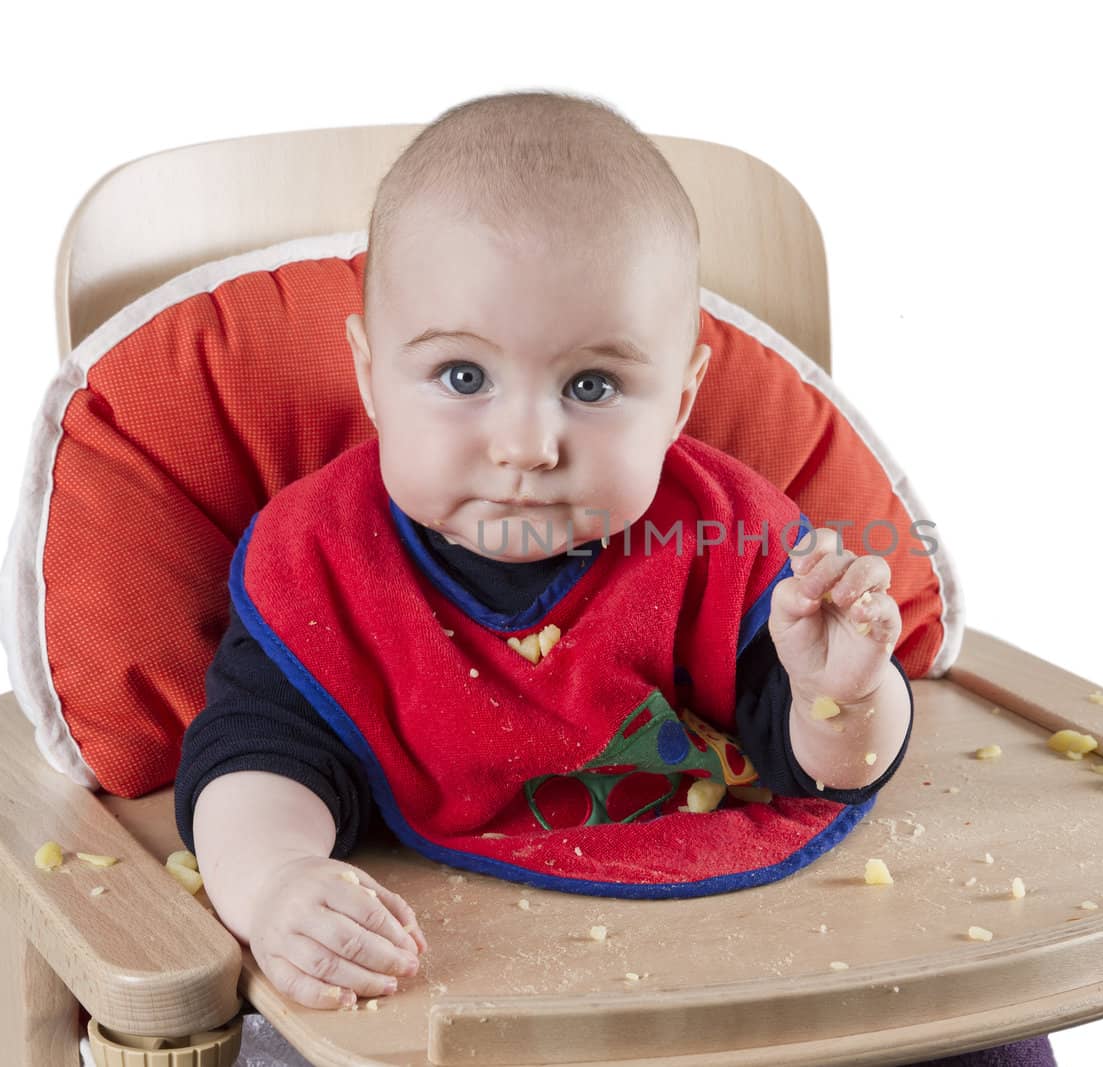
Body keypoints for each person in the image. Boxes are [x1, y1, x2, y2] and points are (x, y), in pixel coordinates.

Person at [174, 89, 1055, 1067]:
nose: (527, 444)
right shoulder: (325, 563)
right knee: (296, 1042)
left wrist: (841, 693)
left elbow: (821, 762)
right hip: (450, 966)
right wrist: (276, 882)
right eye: (462, 376)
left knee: (983, 1033)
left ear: (678, 401)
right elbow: (259, 753)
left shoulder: (726, 540)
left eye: (592, 386)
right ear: (369, 373)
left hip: (737, 938)